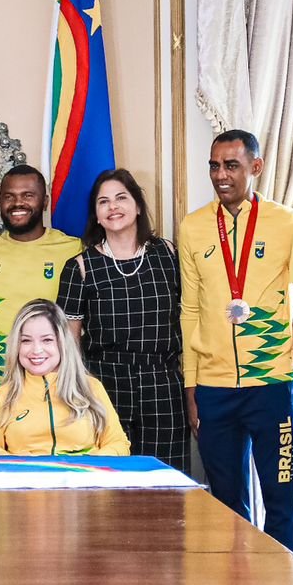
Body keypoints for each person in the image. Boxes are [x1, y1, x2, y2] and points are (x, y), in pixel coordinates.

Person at [178, 130, 293, 550]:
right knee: (227, 504)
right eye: (214, 166)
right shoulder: (193, 226)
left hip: (273, 384)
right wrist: (192, 386)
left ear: (256, 167)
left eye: (231, 165)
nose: (221, 175)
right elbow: (189, 310)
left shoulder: (288, 223)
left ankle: (284, 584)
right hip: (214, 388)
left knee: (281, 502)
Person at [55, 168, 186, 469]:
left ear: (138, 206)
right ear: (96, 215)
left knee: (163, 478)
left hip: (162, 382)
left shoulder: (167, 254)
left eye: (121, 198)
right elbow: (69, 341)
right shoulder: (80, 267)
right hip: (105, 384)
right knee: (110, 477)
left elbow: (189, 314)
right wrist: (79, 393)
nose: (113, 207)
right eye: (103, 202)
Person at [0, 165, 82, 426]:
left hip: (57, 391)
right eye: (9, 196)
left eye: (27, 195)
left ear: (44, 201)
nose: (17, 203)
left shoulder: (73, 250)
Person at [0, 299, 129, 456]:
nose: (36, 350)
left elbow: (118, 443)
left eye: (47, 340)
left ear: (62, 343)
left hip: (82, 470)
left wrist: (89, 463)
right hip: (26, 471)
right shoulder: (7, 393)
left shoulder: (91, 387)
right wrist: (18, 463)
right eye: (26, 340)